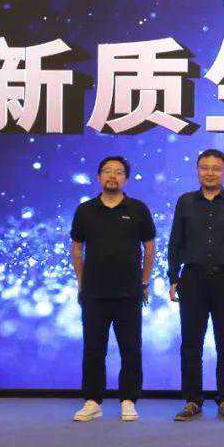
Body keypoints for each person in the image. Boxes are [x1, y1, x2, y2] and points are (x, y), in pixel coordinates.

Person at [70, 156, 156, 422]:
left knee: (131, 348)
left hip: (129, 292)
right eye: (107, 171)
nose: (112, 176)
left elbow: (149, 247)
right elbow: (77, 248)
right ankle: (92, 401)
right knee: (93, 348)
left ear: (125, 179)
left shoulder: (138, 209)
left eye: (118, 172)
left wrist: (144, 282)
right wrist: (82, 283)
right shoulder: (85, 210)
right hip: (94, 293)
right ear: (99, 177)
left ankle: (128, 400)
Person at [168, 149, 224, 422]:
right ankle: (192, 400)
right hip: (192, 278)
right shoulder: (185, 202)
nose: (210, 173)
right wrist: (173, 277)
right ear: (198, 170)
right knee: (191, 343)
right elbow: (175, 242)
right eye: (205, 167)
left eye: (216, 168)